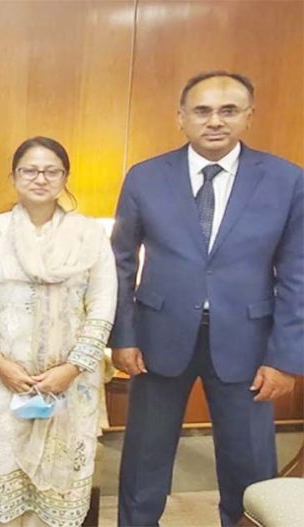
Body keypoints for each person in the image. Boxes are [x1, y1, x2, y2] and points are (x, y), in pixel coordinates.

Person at [112, 71, 303, 526]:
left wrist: (287, 359)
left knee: (250, 465)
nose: (214, 121)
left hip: (249, 344)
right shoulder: (145, 177)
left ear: (248, 117)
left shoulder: (286, 179)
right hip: (157, 340)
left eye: (228, 110)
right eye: (202, 110)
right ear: (181, 117)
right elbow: (118, 263)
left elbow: (298, 274)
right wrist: (122, 335)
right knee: (144, 461)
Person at [0, 137, 117, 527]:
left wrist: (72, 368)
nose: (40, 178)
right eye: (29, 170)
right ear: (14, 177)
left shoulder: (88, 234)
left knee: (57, 490)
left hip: (69, 381)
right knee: (5, 490)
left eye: (51, 171)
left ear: (64, 177)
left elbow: (103, 304)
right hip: (0, 377)